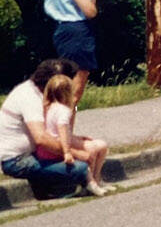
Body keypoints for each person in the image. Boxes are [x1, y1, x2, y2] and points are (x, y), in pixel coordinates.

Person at [0, 59, 94, 198]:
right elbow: (41, 138)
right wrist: (74, 153)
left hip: (33, 153)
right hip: (17, 160)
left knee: (88, 151)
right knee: (80, 168)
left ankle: (58, 186)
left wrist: (73, 139)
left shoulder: (39, 93)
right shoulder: (29, 98)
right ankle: (58, 190)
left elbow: (52, 129)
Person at [37, 74, 111, 195]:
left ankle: (96, 180)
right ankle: (89, 183)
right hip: (60, 145)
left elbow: (58, 130)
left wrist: (77, 137)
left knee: (101, 145)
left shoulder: (49, 107)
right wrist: (67, 152)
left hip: (56, 144)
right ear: (68, 93)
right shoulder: (64, 111)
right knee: (91, 152)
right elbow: (61, 132)